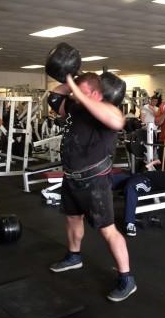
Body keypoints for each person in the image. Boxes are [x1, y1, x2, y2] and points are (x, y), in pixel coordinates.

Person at [47, 71, 138, 302]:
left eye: (84, 92)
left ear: (97, 94)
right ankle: (74, 256)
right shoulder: (77, 107)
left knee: (108, 230)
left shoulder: (108, 111)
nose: (77, 96)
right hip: (71, 178)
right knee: (72, 218)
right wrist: (70, 83)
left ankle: (127, 278)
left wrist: (80, 92)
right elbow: (55, 100)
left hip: (95, 182)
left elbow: (117, 121)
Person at [111, 159, 165, 237]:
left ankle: (130, 224)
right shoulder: (161, 172)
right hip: (134, 177)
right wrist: (153, 162)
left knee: (131, 187)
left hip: (146, 183)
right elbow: (142, 171)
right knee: (107, 179)